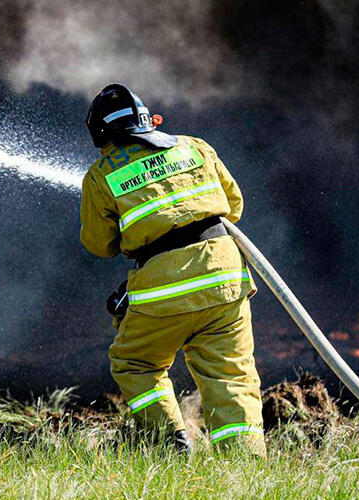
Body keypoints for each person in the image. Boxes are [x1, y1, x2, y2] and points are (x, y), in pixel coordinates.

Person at [80, 83, 265, 456]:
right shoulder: (195, 147)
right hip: (224, 277)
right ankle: (246, 467)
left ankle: (171, 445)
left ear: (102, 134)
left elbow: (100, 244)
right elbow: (233, 206)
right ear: (150, 121)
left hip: (164, 288)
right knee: (231, 376)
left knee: (135, 363)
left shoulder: (100, 175)